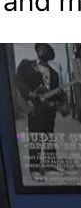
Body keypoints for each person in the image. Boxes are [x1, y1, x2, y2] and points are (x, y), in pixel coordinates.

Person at [14, 43, 65, 181]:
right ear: (37, 50)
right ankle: (35, 169)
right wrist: (30, 94)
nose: (42, 49)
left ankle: (51, 165)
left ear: (49, 54)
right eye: (40, 47)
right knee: (35, 139)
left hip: (49, 110)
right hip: (34, 108)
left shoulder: (54, 74)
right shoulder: (26, 64)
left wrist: (61, 95)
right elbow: (18, 81)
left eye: (46, 48)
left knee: (49, 139)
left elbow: (56, 95)